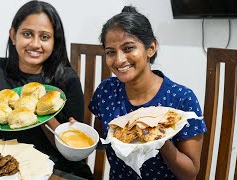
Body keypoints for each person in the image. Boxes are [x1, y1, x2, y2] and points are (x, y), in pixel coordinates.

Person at [0, 1, 93, 179]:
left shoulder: (67, 79)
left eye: (45, 37)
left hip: (59, 172)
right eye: (27, 34)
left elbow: (73, 152)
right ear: (13, 35)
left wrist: (45, 114)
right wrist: (6, 163)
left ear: (55, 41)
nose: (35, 44)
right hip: (8, 170)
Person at [88, 6, 207, 180]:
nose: (119, 60)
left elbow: (190, 174)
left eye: (128, 48)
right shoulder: (106, 91)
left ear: (151, 47)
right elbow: (101, 140)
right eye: (110, 52)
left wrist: (160, 139)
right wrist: (79, 132)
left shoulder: (181, 99)